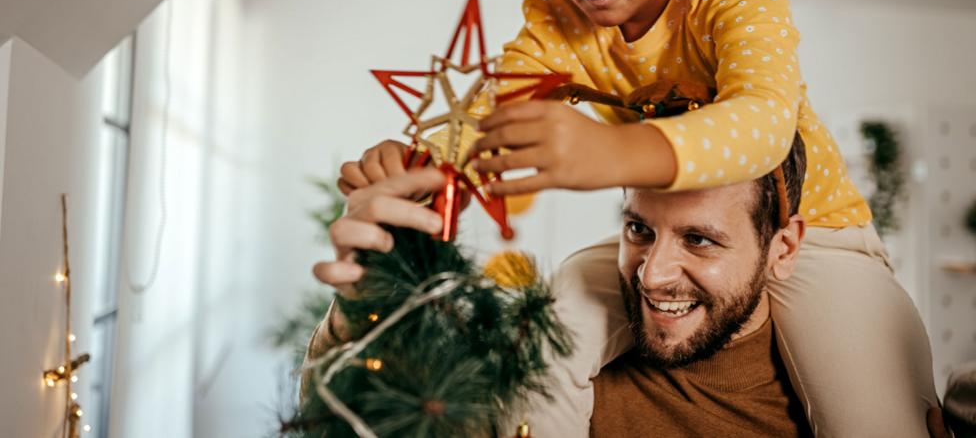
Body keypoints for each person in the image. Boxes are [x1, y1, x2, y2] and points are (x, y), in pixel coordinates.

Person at [337, 0, 939, 435]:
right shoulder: (557, 30)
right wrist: (417, 168)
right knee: (558, 324)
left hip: (823, 237)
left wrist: (614, 150)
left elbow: (765, 122)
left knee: (872, 418)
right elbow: (484, 120)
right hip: (670, 231)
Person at [314, 133, 812, 436]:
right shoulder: (542, 367)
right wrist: (374, 292)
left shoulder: (825, 408)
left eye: (700, 240)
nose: (652, 275)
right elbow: (355, 424)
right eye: (639, 230)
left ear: (782, 249)